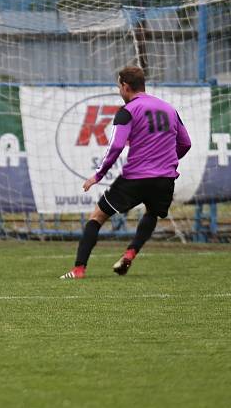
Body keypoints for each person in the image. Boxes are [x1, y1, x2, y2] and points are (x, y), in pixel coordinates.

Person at [60, 65, 192, 279]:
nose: (119, 91)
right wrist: (168, 162)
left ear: (125, 86)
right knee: (152, 212)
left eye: (119, 86)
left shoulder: (128, 111)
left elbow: (116, 147)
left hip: (136, 178)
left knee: (97, 216)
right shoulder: (169, 109)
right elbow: (185, 143)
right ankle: (130, 252)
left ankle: (79, 269)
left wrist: (98, 175)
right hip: (165, 179)